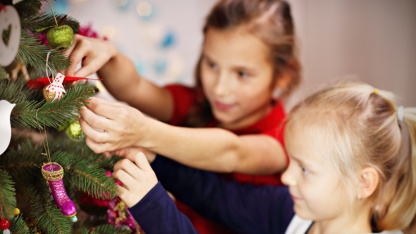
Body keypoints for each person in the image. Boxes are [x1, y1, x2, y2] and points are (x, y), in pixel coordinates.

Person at [66, 0, 300, 232]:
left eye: (242, 73)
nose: (220, 89)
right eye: (212, 65)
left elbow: (232, 152)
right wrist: (109, 54)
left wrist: (145, 131)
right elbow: (134, 88)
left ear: (283, 76)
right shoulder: (196, 104)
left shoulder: (287, 137)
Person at [113, 81, 416, 234]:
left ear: (364, 182)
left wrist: (151, 204)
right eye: (292, 162)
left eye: (305, 169)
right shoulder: (295, 213)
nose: (286, 177)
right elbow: (218, 196)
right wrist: (154, 158)